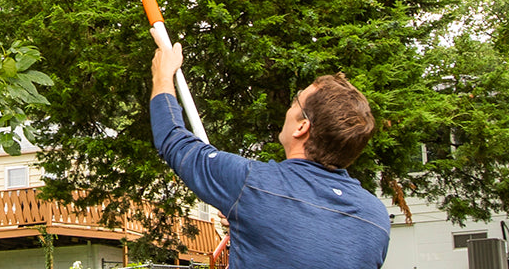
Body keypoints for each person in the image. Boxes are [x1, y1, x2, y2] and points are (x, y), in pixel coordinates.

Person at [150, 44, 390, 269]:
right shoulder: (376, 219)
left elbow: (173, 139)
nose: (289, 107)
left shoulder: (253, 184)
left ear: (302, 127)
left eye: (296, 100)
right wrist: (257, 225)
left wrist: (162, 76)